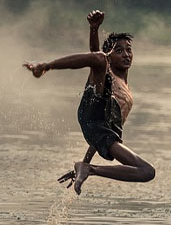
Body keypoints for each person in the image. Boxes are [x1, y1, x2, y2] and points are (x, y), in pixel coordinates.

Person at [23, 10, 155, 195]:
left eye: (128, 49)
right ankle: (44, 66)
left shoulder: (126, 92)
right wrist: (94, 29)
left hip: (100, 127)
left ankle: (88, 169)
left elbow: (101, 135)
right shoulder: (107, 73)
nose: (126, 54)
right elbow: (96, 56)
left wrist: (85, 162)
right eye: (119, 50)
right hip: (92, 108)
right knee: (98, 59)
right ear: (111, 56)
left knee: (147, 172)